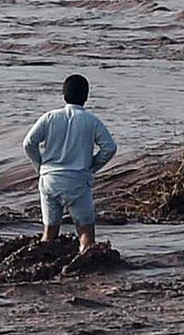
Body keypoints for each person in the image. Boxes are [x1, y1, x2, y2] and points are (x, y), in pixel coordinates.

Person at [22, 74, 119, 254]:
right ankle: (83, 270)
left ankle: (40, 267)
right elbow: (110, 148)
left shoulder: (49, 117)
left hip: (49, 180)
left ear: (64, 95)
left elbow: (28, 144)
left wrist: (40, 166)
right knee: (86, 234)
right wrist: (92, 167)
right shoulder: (91, 120)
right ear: (86, 96)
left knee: (49, 233)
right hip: (77, 181)